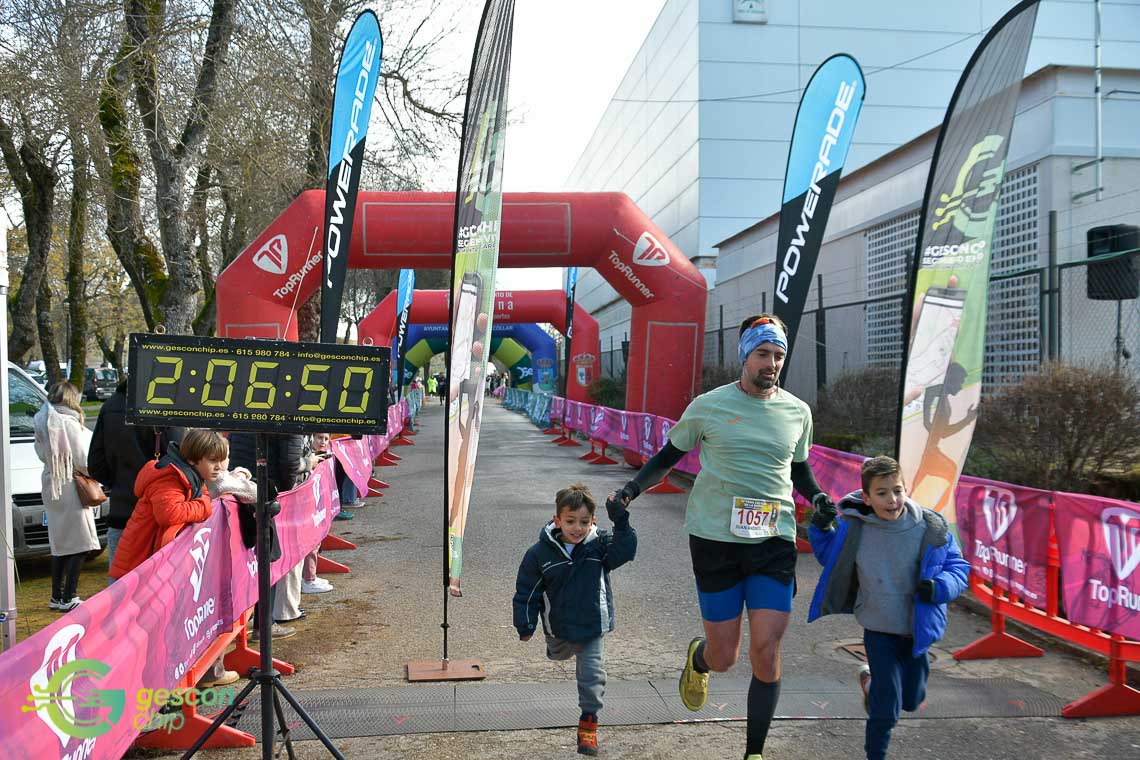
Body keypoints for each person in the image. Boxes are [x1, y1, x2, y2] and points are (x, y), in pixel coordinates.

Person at [609, 314, 833, 760]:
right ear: (745, 357)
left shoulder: (797, 411)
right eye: (763, 354)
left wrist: (818, 497)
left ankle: (754, 753)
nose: (772, 363)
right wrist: (630, 490)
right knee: (725, 656)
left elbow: (799, 469)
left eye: (779, 355)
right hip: (715, 539)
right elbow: (668, 456)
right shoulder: (709, 406)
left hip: (773, 540)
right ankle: (700, 659)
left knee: (766, 649)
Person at [807, 456, 969, 760]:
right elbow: (831, 556)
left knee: (911, 700)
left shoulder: (930, 527)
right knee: (887, 707)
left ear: (906, 489)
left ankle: (870, 684)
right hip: (878, 629)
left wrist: (939, 586)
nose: (892, 500)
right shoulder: (855, 528)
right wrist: (820, 526)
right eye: (882, 493)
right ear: (867, 497)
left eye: (897, 490)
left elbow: (957, 567)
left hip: (916, 631)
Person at [513, 483, 637, 756]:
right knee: (560, 655)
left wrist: (620, 518)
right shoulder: (539, 554)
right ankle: (559, 648)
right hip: (559, 627)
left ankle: (588, 725)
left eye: (584, 521)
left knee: (591, 674)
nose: (577, 528)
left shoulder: (600, 545)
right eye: (570, 521)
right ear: (557, 520)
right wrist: (526, 623)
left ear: (593, 521)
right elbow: (527, 591)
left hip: (592, 625)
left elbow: (626, 549)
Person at [88, 373, 183, 578]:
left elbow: (96, 464)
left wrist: (121, 483)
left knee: (120, 588)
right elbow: (179, 461)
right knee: (159, 587)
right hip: (158, 517)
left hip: (122, 511)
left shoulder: (111, 406)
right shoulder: (166, 406)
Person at [108, 429, 234, 580]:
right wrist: (205, 507)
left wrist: (203, 502)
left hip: (150, 562)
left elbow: (204, 496)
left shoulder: (193, 476)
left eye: (221, 460)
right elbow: (169, 513)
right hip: (138, 565)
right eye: (213, 460)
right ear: (192, 459)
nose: (219, 467)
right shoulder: (170, 477)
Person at [228, 430, 310, 640]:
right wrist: (281, 490)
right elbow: (290, 463)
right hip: (261, 488)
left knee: (247, 556)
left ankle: (256, 622)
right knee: (267, 555)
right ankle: (264, 625)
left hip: (239, 483)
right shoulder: (289, 414)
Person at [34, 382, 100, 611]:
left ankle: (56, 596)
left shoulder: (41, 419)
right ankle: (69, 596)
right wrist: (95, 474)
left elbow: (40, 453)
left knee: (60, 543)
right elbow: (82, 459)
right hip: (69, 483)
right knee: (81, 543)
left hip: (51, 482)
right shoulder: (69, 423)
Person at [300, 433, 335, 595]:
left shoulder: (319, 457)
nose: (323, 442)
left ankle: (310, 576)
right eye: (319, 438)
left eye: (326, 439)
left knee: (316, 539)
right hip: (305, 501)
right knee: (310, 540)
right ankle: (308, 579)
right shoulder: (305, 453)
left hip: (315, 504)